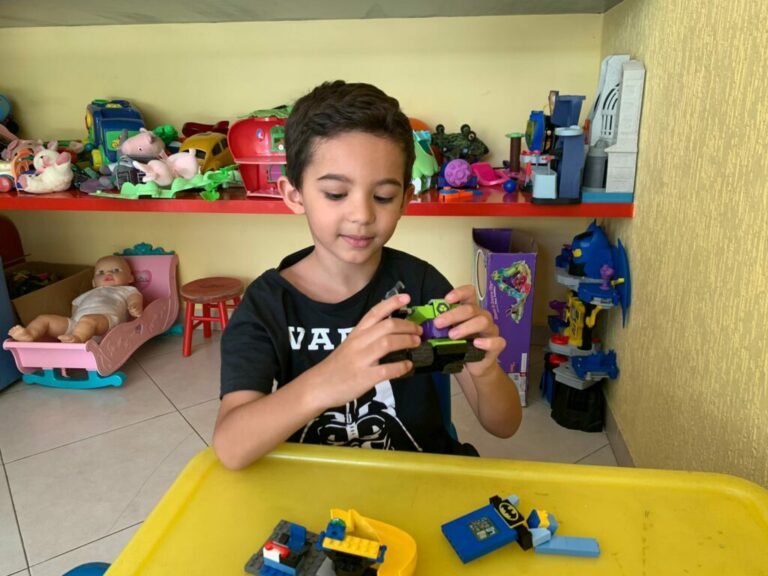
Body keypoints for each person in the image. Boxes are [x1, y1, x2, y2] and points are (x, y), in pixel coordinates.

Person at [213, 81, 522, 470]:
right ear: (294, 194)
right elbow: (230, 448)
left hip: (420, 480)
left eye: (383, 197)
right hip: (319, 490)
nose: (362, 215)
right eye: (335, 193)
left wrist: (485, 370)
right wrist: (327, 380)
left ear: (405, 199)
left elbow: (504, 425)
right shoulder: (266, 306)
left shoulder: (422, 285)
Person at [7, 255, 143, 344]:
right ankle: (30, 334)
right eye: (100, 273)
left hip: (106, 321)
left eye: (116, 270)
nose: (107, 273)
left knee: (88, 320)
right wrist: (69, 324)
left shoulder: (127, 290)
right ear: (93, 282)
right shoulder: (86, 294)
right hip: (76, 324)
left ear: (130, 278)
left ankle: (77, 340)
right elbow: (74, 310)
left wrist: (135, 306)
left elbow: (135, 299)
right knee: (44, 319)